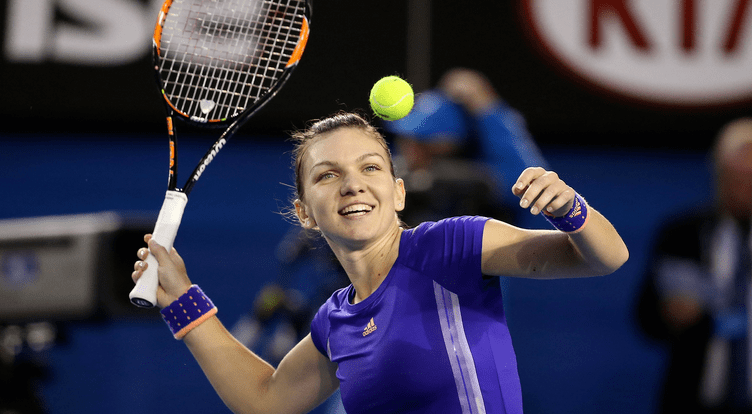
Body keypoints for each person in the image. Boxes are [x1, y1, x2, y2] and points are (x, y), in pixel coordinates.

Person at [131, 111, 628, 413]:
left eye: (370, 167)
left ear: (397, 193)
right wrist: (182, 301)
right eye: (328, 175)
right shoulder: (336, 322)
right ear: (304, 213)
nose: (353, 184)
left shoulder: (452, 246)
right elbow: (265, 400)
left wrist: (570, 209)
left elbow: (604, 258)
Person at [638, 118, 752, 413]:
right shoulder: (682, 234)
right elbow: (645, 318)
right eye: (736, 175)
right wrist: (669, 315)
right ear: (718, 172)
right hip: (691, 401)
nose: (744, 186)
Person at [384, 67, 548, 227]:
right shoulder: (398, 167)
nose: (411, 147)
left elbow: (532, 184)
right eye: (407, 138)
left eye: (424, 141)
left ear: (452, 141)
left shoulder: (480, 164)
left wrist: (487, 109)